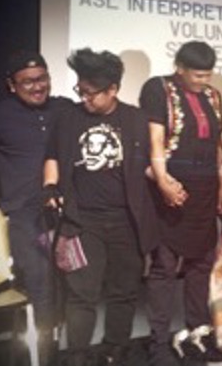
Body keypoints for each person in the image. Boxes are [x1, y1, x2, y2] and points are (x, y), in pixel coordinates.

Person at [43, 48, 158, 364]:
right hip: (82, 222)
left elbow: (149, 164)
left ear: (113, 90)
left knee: (124, 291)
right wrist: (50, 186)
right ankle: (78, 354)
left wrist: (167, 181)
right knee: (82, 294)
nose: (85, 99)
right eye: (80, 91)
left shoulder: (135, 119)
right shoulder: (69, 118)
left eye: (91, 93)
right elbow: (52, 155)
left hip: (127, 220)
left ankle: (115, 349)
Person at [0, 50, 71, 362]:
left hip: (66, 213)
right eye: (28, 82)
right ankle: (45, 357)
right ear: (11, 85)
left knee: (72, 287)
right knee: (40, 283)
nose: (37, 86)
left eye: (42, 78)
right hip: (25, 215)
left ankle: (64, 351)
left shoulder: (65, 108)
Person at [139, 41, 222, 365]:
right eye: (197, 75)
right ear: (180, 68)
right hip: (173, 186)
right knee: (164, 267)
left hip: (206, 191)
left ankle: (199, 332)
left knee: (202, 264)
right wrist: (163, 182)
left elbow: (218, 145)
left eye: (208, 75)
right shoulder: (158, 88)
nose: (203, 81)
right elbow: (155, 140)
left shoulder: (214, 96)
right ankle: (158, 342)